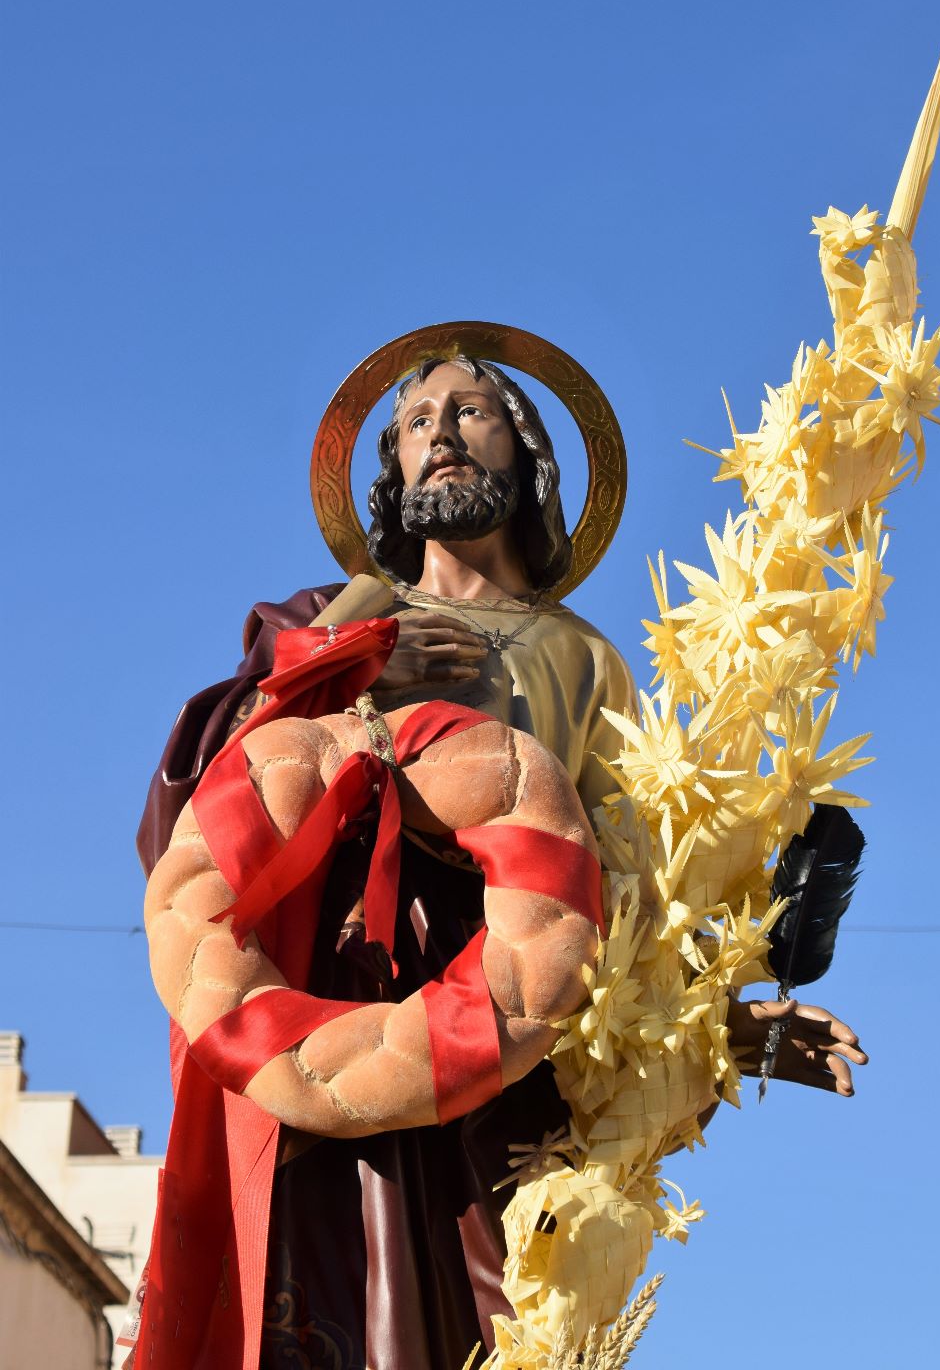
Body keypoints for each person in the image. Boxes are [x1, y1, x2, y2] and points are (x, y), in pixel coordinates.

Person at [135, 353, 865, 1369]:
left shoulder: (583, 659)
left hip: (514, 1042)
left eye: (470, 411)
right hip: (337, 1006)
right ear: (390, 467)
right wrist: (347, 666)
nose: (436, 432)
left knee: (499, 1313)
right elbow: (208, 797)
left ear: (526, 459)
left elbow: (629, 870)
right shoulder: (335, 615)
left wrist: (712, 1021)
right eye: (414, 420)